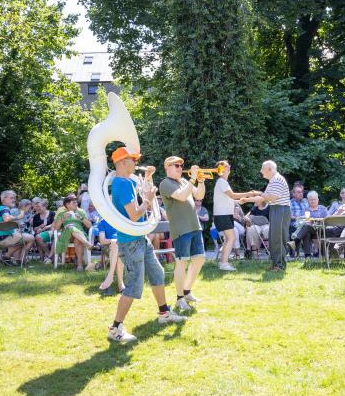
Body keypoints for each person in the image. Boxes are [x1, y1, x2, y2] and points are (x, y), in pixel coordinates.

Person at [107, 146, 185, 343]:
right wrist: (148, 202)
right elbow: (134, 213)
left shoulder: (126, 181)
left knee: (157, 273)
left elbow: (142, 193)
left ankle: (164, 314)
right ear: (122, 162)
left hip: (139, 238)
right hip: (131, 242)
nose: (136, 163)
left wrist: (148, 179)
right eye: (133, 160)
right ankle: (116, 328)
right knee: (134, 285)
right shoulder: (121, 184)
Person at [159, 156, 207, 312]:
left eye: (181, 165)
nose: (180, 167)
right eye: (177, 165)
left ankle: (187, 291)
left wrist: (200, 180)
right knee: (182, 262)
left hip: (194, 226)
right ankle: (180, 298)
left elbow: (199, 195)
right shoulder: (165, 183)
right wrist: (193, 179)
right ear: (168, 167)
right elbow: (181, 196)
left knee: (199, 259)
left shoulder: (185, 181)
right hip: (181, 228)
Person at [211, 161, 260, 270]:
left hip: (224, 215)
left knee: (228, 239)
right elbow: (232, 195)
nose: (229, 167)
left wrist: (239, 201)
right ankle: (224, 263)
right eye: (227, 166)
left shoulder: (223, 182)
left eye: (229, 166)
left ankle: (222, 263)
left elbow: (228, 198)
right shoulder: (221, 182)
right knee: (231, 238)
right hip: (222, 215)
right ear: (221, 170)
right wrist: (249, 193)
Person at [253, 160, 291, 271]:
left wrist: (259, 193)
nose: (261, 171)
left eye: (262, 168)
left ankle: (280, 265)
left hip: (281, 210)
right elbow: (264, 198)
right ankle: (275, 264)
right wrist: (247, 198)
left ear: (269, 169)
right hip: (276, 209)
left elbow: (272, 197)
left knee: (279, 238)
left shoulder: (277, 180)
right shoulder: (272, 180)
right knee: (273, 238)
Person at [0, 190, 33, 264]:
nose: (14, 200)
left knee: (22, 240)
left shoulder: (0, 209)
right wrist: (19, 216)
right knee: (31, 238)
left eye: (14, 198)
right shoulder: (4, 209)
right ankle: (21, 260)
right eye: (11, 198)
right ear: (3, 199)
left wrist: (16, 225)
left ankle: (7, 257)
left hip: (0, 239)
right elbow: (6, 219)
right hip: (6, 238)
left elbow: (5, 222)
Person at [53, 195, 93, 270]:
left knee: (77, 240)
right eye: (74, 203)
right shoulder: (62, 214)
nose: (76, 204)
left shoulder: (80, 212)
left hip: (80, 234)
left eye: (76, 202)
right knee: (70, 227)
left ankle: (80, 265)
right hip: (66, 236)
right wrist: (62, 219)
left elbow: (89, 225)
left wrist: (81, 218)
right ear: (67, 205)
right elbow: (56, 228)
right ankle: (87, 244)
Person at [292, 191, 329, 258]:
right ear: (308, 201)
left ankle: (295, 240)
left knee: (306, 227)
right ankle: (308, 255)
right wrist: (305, 220)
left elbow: (328, 219)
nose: (313, 201)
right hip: (310, 229)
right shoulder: (306, 210)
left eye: (314, 199)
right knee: (307, 230)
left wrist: (316, 221)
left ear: (318, 200)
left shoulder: (322, 208)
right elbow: (300, 220)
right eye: (311, 200)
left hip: (320, 229)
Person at [96, 218, 124, 293]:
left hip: (123, 246)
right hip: (108, 247)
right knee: (116, 246)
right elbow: (102, 240)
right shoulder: (103, 222)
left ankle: (110, 276)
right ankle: (120, 284)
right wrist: (113, 241)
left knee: (118, 248)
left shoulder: (121, 219)